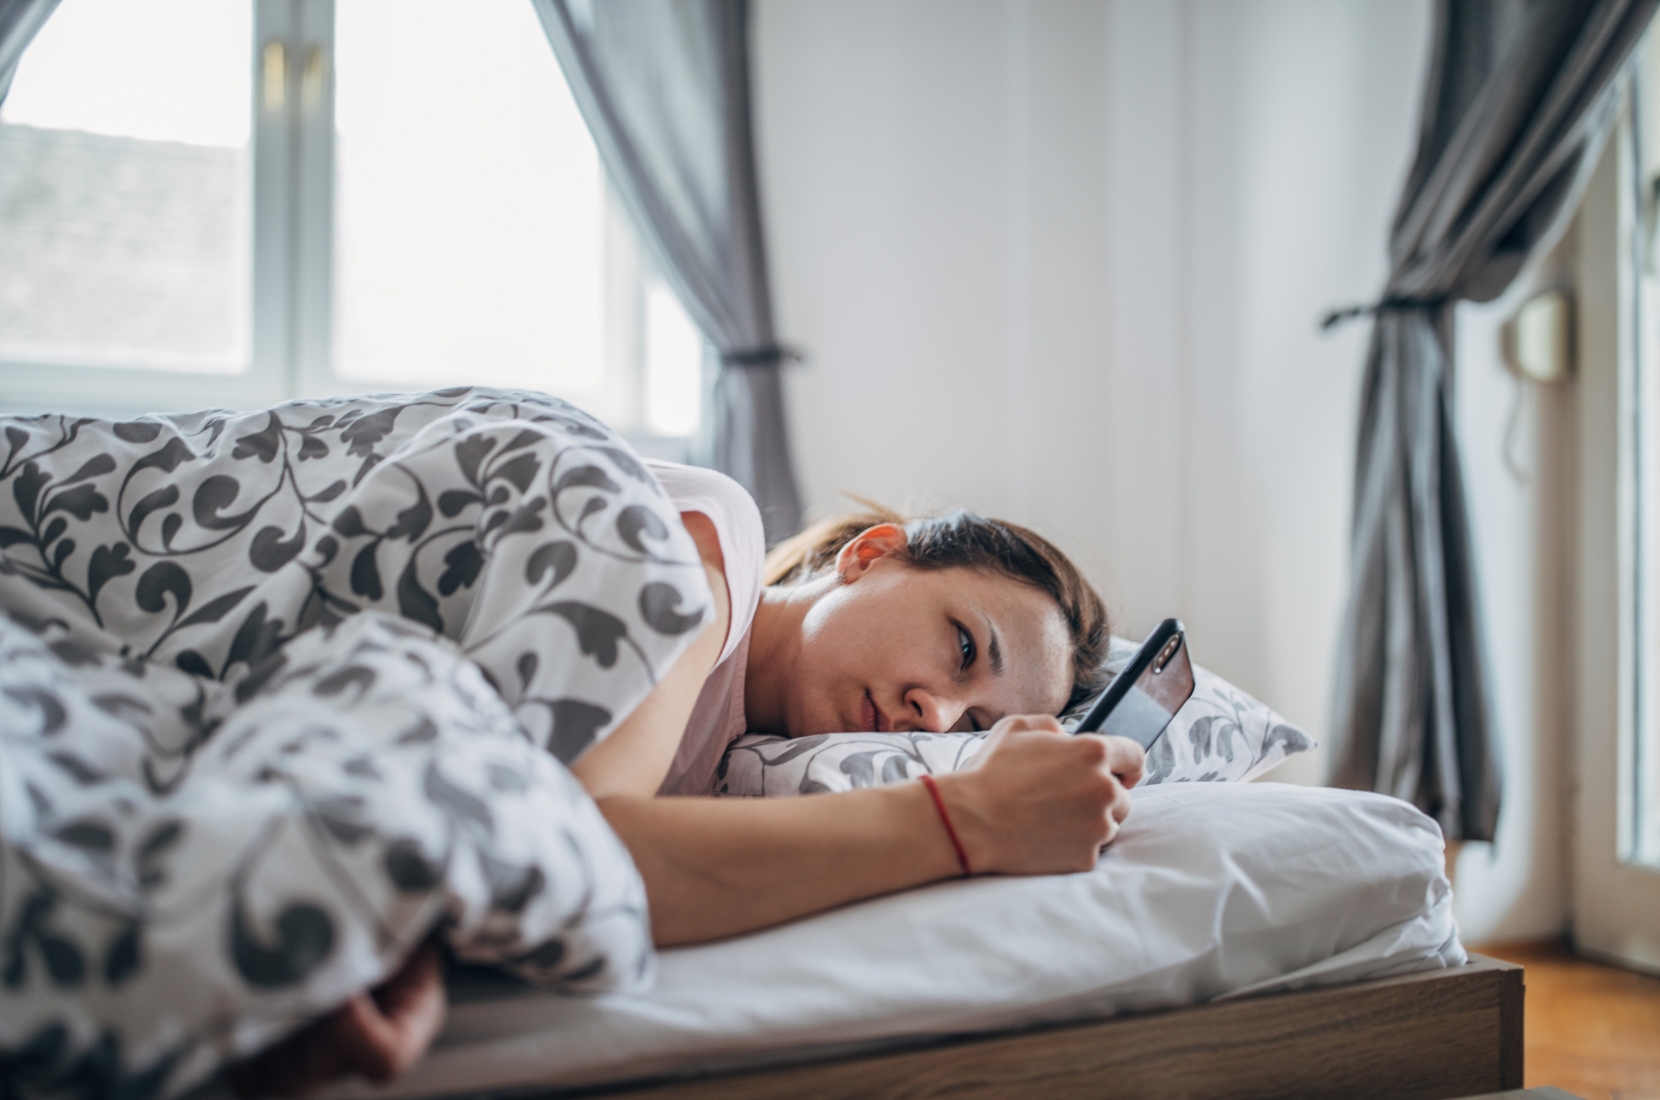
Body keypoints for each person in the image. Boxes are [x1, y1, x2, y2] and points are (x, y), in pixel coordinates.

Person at [229, 462, 1147, 1097]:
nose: (936, 716)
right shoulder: (703, 556)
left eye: (975, 728)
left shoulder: (724, 761)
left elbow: (510, 811)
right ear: (872, 556)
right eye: (961, 649)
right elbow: (584, 852)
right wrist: (973, 817)